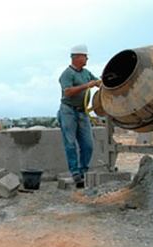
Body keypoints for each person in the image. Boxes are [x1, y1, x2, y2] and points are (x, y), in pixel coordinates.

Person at [57, 44, 101, 187]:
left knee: (88, 145)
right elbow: (68, 92)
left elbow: (98, 83)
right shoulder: (67, 74)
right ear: (77, 57)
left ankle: (83, 171)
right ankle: (75, 172)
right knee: (70, 144)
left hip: (82, 112)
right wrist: (87, 85)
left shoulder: (86, 73)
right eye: (85, 56)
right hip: (68, 111)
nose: (87, 58)